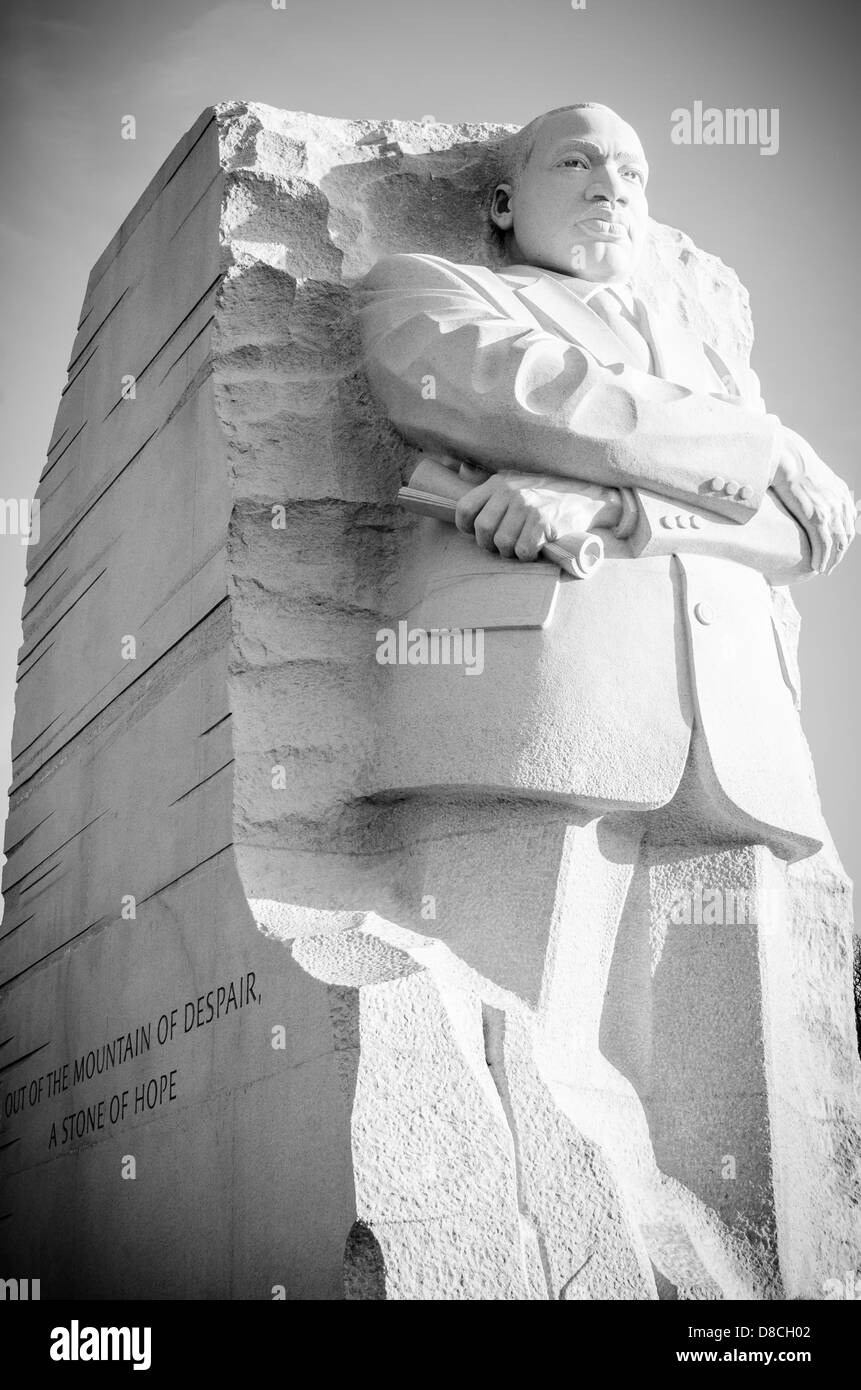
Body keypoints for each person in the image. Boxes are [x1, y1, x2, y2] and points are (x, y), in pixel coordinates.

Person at [353, 103, 856, 1297]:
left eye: (633, 168)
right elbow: (514, 396)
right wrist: (756, 442)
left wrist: (617, 508)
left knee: (758, 1204)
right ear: (502, 203)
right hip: (534, 714)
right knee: (509, 1090)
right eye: (575, 161)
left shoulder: (707, 359)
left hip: (735, 748)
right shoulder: (427, 287)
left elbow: (812, 529)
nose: (612, 185)